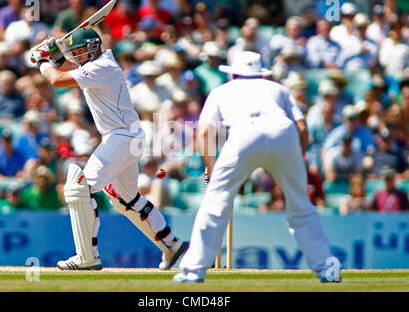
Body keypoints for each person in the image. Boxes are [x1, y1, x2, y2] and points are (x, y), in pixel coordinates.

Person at [30, 27, 188, 270]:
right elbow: (68, 70)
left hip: (121, 137)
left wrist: (42, 60)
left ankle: (86, 257)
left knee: (78, 187)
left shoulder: (102, 67)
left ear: (94, 46)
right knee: (125, 199)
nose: (77, 57)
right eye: (75, 53)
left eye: (80, 52)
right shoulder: (100, 64)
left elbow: (56, 79)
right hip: (127, 137)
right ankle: (171, 245)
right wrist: (55, 57)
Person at [173, 51, 339, 283]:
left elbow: (204, 132)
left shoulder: (221, 91)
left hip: (244, 132)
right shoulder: (278, 89)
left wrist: (211, 168)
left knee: (215, 201)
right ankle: (327, 269)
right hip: (284, 132)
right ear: (260, 73)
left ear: (233, 74)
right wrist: (294, 161)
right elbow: (301, 128)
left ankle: (193, 271)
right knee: (301, 206)